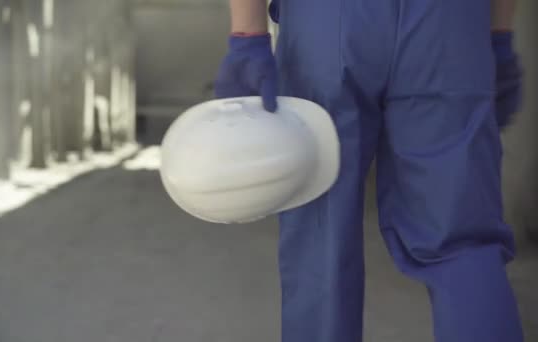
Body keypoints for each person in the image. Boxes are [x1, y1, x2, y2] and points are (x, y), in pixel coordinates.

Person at [214, 0, 524, 341]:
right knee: (464, 244)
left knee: (320, 235)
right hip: (447, 24)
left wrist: (247, 35)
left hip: (327, 25)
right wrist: (499, 33)